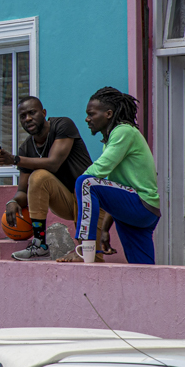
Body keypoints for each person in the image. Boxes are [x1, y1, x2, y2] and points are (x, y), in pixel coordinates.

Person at [0, 96, 93, 261]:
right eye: (23, 116)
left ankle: (84, 250)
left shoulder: (62, 125)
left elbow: (54, 163)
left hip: (91, 198)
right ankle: (39, 245)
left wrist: (15, 160)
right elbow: (23, 191)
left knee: (91, 257)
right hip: (66, 201)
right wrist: (13, 202)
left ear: (44, 113)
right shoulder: (26, 148)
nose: (28, 119)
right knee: (38, 177)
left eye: (32, 112)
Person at [72, 86, 162, 264]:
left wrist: (79, 184)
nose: (87, 119)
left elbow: (99, 170)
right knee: (142, 269)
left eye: (91, 114)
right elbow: (117, 185)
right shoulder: (114, 137)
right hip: (144, 210)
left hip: (140, 204)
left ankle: (86, 249)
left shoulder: (123, 131)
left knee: (86, 183)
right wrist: (106, 228)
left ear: (108, 114)